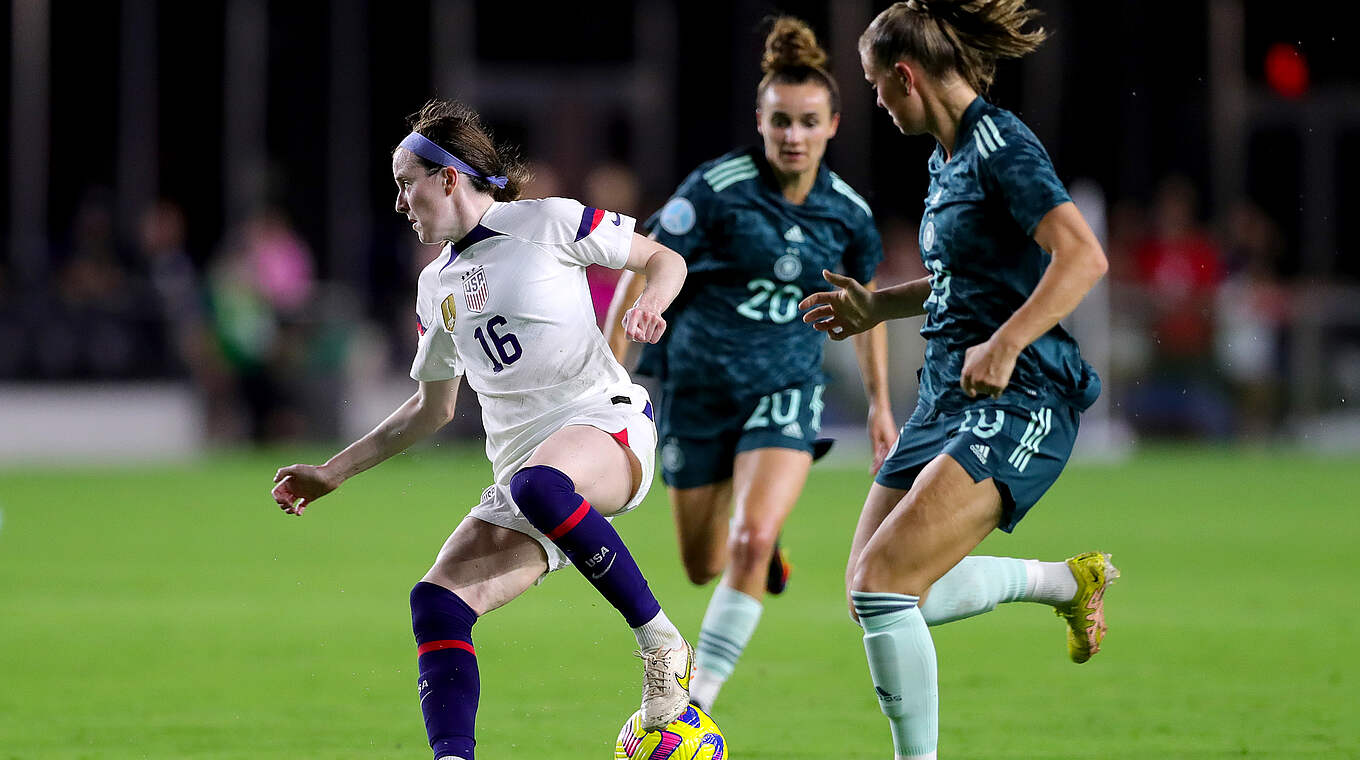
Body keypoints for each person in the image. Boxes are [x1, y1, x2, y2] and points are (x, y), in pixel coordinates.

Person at [271, 99, 694, 760]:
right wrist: (332, 471)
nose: (400, 202)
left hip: (607, 429)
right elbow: (431, 409)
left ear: (447, 178)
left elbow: (664, 260)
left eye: (406, 183)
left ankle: (661, 642)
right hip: (531, 478)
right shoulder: (434, 284)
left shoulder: (548, 221)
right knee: (437, 602)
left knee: (540, 485)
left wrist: (649, 305)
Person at [799, 3, 1119, 757]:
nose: (877, 102)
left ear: (906, 76)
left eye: (878, 86)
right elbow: (959, 279)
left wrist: (1007, 343)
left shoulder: (1002, 146)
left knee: (884, 584)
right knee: (870, 591)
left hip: (1021, 397)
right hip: (945, 397)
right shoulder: (947, 159)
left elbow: (1083, 257)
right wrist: (881, 306)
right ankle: (1067, 584)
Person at [606, 17, 897, 712]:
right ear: (760, 122)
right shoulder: (715, 189)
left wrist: (883, 403)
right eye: (780, 122)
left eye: (807, 122)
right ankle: (761, 556)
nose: (793, 135)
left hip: (785, 389)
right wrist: (608, 378)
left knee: (751, 533)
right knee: (702, 565)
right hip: (698, 393)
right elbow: (635, 267)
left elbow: (866, 309)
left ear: (831, 126)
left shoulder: (848, 216)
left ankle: (696, 704)